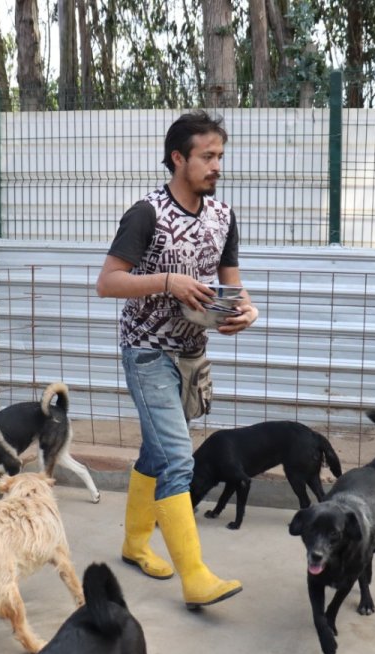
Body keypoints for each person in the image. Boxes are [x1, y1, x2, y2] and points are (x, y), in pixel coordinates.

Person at [95, 110, 259, 609]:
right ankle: (196, 577)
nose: (216, 166)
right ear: (178, 159)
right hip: (147, 352)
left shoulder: (223, 216)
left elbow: (232, 283)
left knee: (157, 452)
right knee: (178, 458)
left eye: (220, 157)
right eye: (207, 157)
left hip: (192, 355)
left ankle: (135, 544)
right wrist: (167, 281)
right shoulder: (146, 214)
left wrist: (246, 310)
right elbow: (108, 282)